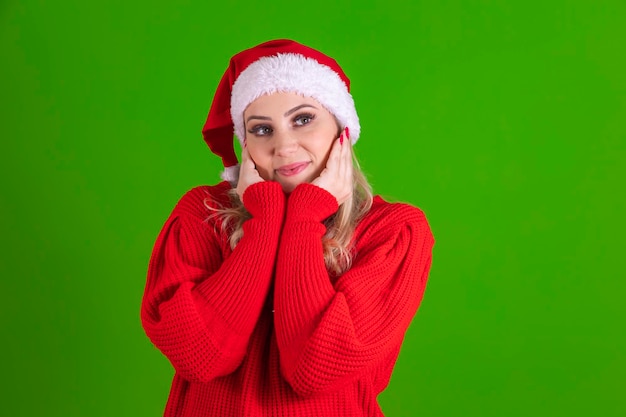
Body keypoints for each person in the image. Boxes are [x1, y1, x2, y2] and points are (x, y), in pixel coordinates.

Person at [141, 39, 435, 417]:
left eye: (303, 119)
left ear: (342, 128)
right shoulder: (204, 212)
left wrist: (304, 216)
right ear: (245, 144)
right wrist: (264, 221)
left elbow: (314, 369)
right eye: (262, 129)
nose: (284, 145)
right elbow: (201, 357)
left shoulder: (394, 231)